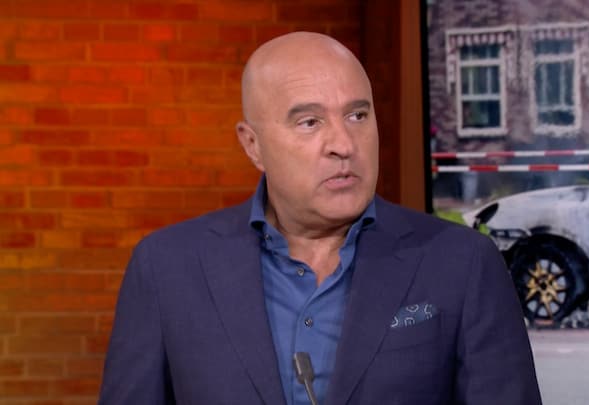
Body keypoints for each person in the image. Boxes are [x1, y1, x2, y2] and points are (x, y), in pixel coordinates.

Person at [98, 32, 541, 404]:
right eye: (309, 122)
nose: (343, 144)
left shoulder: (462, 262)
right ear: (253, 145)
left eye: (357, 115)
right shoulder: (167, 269)